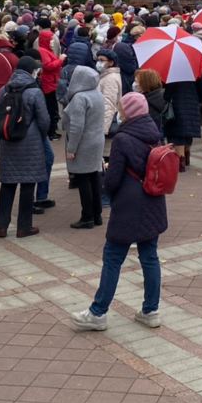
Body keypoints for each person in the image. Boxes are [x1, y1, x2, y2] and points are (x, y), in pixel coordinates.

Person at [70, 91, 167, 331]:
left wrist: (108, 173)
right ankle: (151, 310)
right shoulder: (155, 134)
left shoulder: (123, 139)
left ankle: (97, 313)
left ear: (128, 111)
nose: (119, 111)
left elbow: (112, 181)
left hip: (129, 204)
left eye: (122, 108)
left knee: (113, 257)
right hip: (153, 201)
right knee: (149, 256)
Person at [0, 56, 51, 239]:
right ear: (32, 71)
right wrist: (43, 136)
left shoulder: (4, 89)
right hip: (30, 141)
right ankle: (23, 227)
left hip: (8, 140)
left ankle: (1, 226)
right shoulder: (34, 91)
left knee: (7, 185)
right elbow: (44, 120)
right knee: (28, 185)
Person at [62, 64, 106, 229]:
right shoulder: (97, 94)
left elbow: (76, 126)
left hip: (84, 143)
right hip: (96, 140)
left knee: (83, 179)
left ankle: (87, 216)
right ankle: (97, 214)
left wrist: (71, 149)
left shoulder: (80, 98)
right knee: (94, 177)